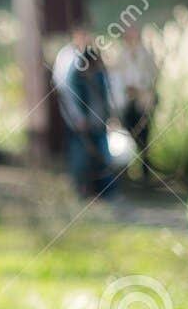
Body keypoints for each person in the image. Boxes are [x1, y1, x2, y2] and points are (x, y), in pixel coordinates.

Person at [55, 39, 116, 199]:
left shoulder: (100, 76)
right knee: (80, 160)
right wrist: (79, 119)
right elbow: (69, 99)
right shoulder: (75, 77)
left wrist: (108, 117)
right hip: (80, 126)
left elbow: (106, 98)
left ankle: (105, 192)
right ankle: (82, 191)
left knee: (103, 159)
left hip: (98, 124)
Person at [111, 25, 158, 176]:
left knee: (144, 135)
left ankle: (145, 170)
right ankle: (128, 169)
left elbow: (152, 77)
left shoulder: (146, 55)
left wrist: (141, 90)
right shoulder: (121, 56)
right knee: (128, 132)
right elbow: (116, 79)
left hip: (142, 102)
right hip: (126, 102)